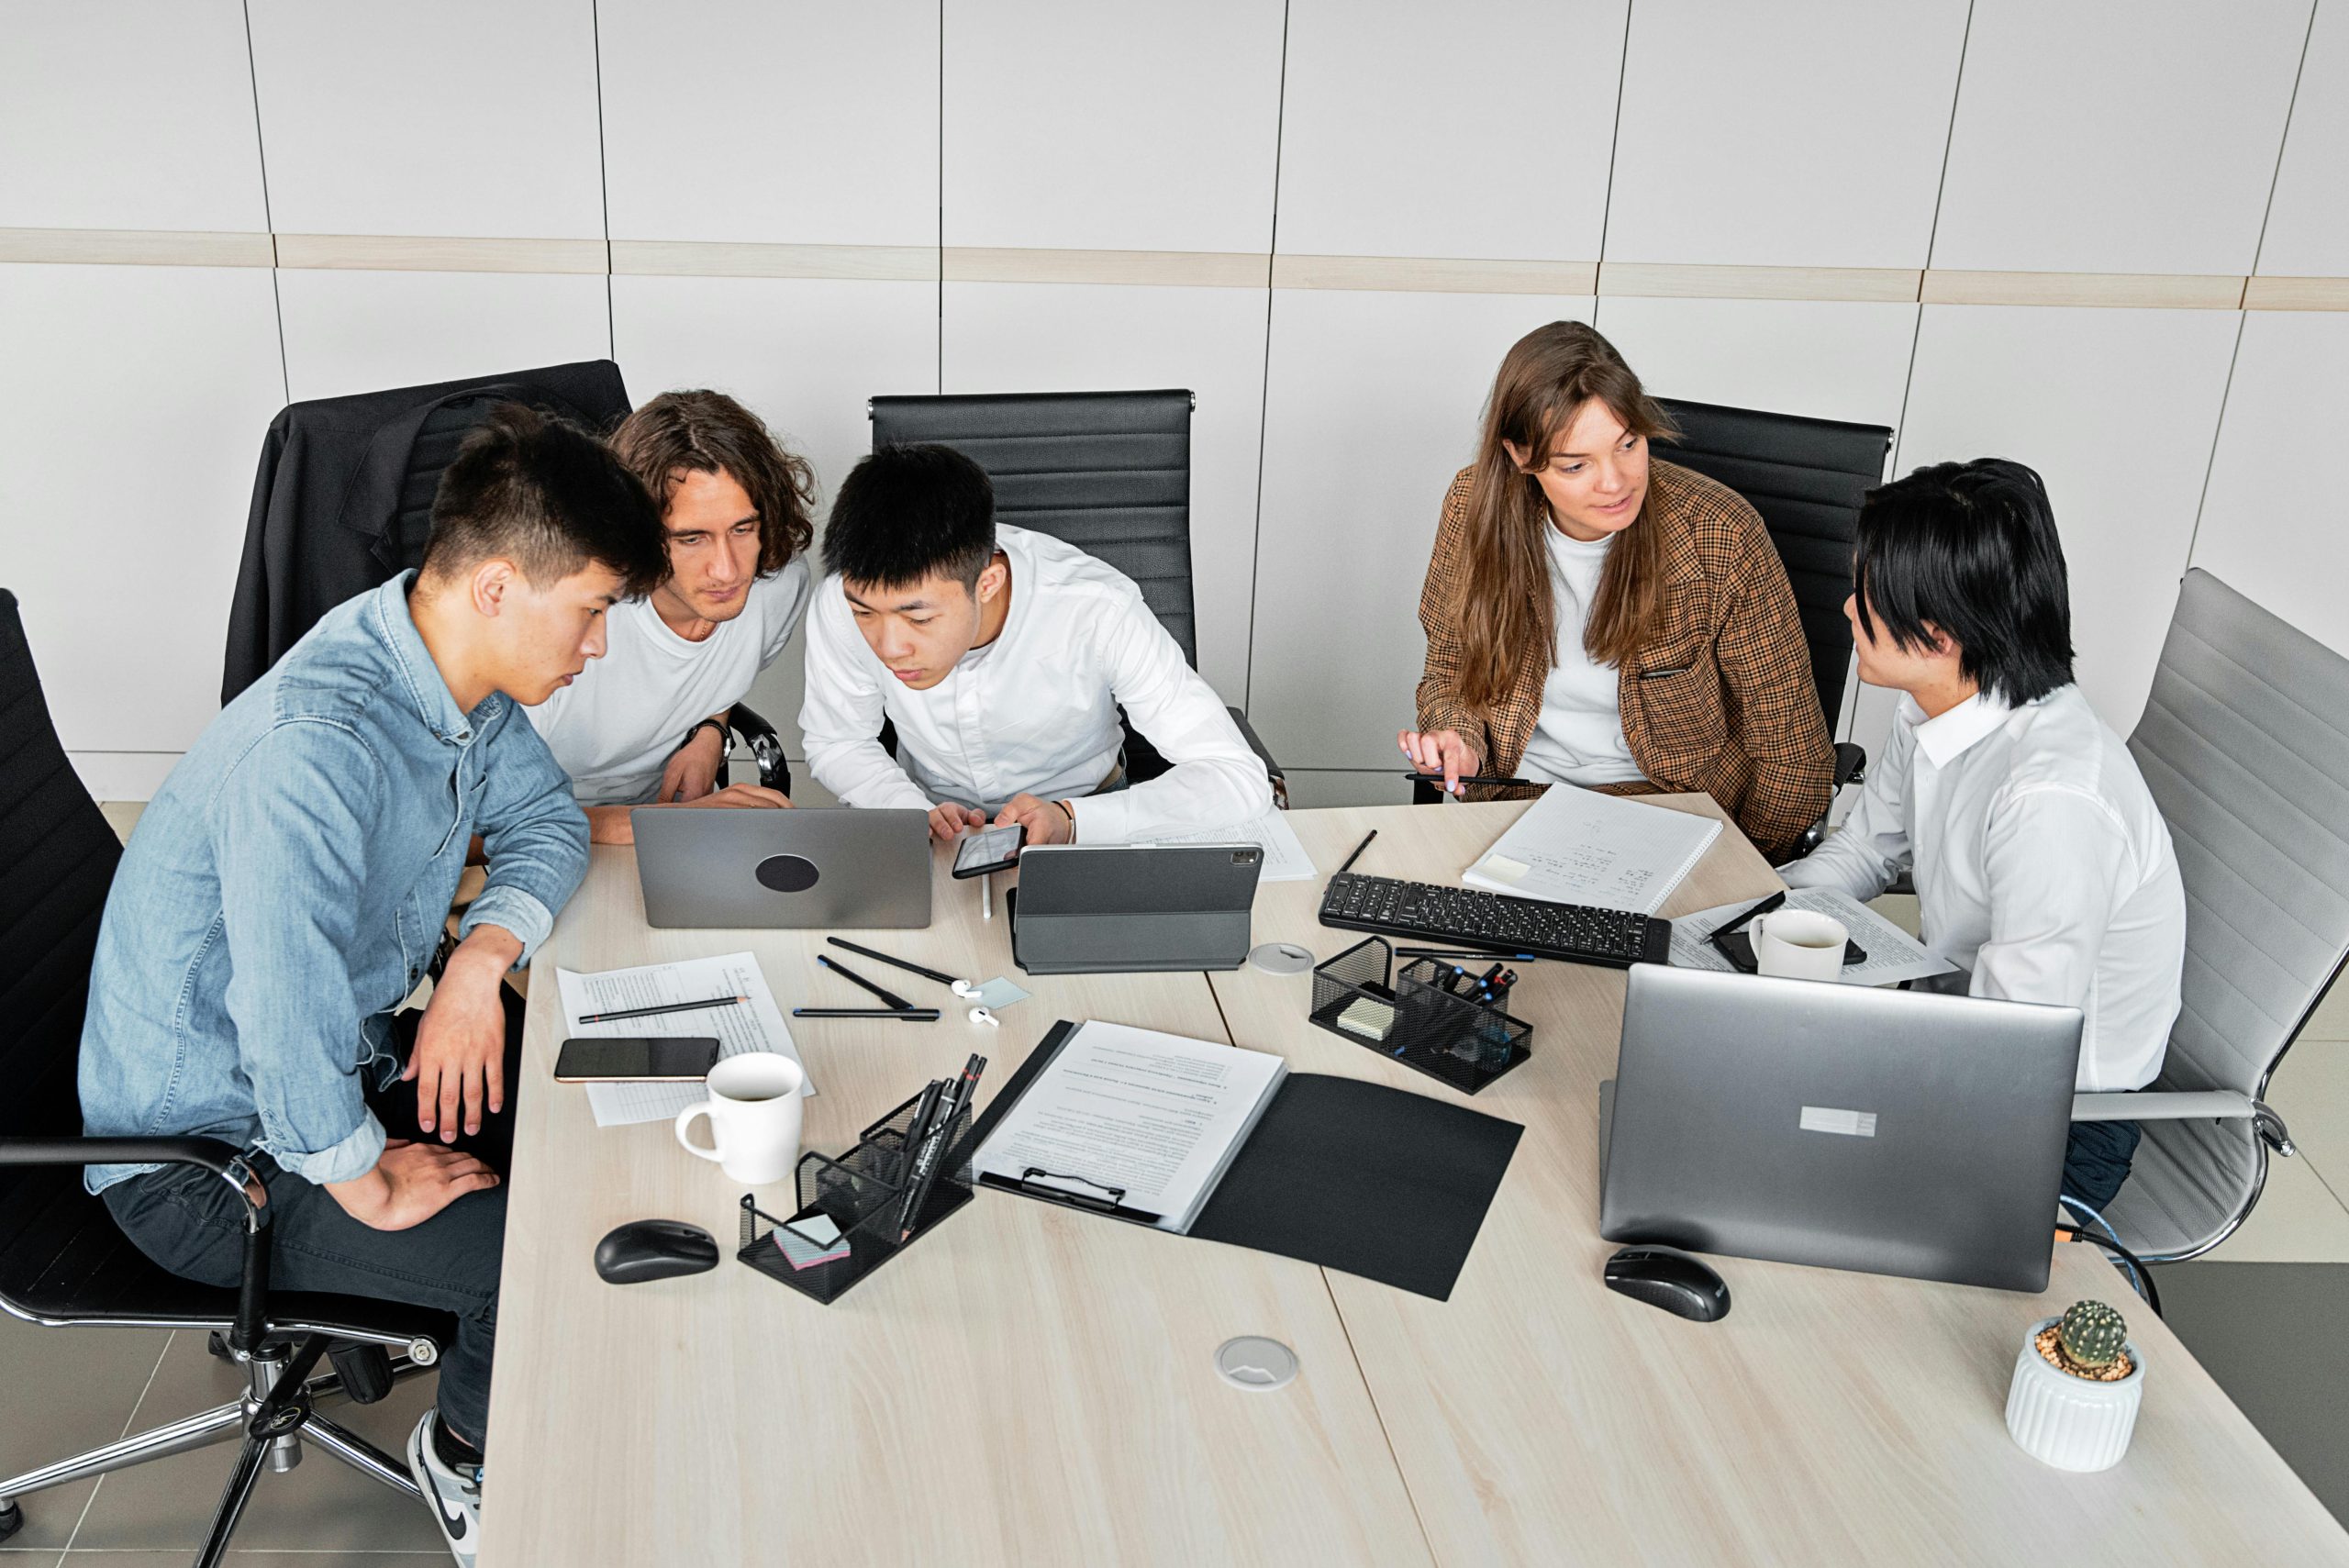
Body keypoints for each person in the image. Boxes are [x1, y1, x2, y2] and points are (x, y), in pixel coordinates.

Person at [78, 405, 668, 1565]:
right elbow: (282, 1028)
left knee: (597, 1104)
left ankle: (567, 1379)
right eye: (593, 608)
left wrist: (476, 962)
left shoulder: (447, 673)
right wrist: (363, 1175)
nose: (597, 644)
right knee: (534, 1259)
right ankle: (470, 1456)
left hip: (333, 1063)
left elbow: (548, 821)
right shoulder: (317, 746)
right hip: (210, 1160)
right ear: (498, 587)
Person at [1779, 458, 2186, 1211]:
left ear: (1938, 636)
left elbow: (2013, 1052)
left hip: (2052, 1123)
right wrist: (1757, 918)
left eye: (1867, 594)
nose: (1846, 607)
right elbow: (1867, 849)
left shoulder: (2052, 801)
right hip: (1958, 1035)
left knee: (1794, 1178)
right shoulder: (1937, 705)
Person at [1400, 321, 1834, 862]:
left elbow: (1792, 750)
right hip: (1511, 801)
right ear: (1519, 455)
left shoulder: (1720, 534)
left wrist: (1748, 869)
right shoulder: (1472, 508)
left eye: (1628, 444)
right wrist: (1457, 740)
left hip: (1669, 815)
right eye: (1576, 464)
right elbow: (1450, 670)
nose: (1616, 482)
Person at [799, 442, 1271, 846]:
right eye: (864, 614)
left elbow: (1235, 776)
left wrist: (1073, 820)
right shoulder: (839, 599)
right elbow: (838, 740)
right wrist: (906, 808)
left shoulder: (1097, 608)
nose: (889, 647)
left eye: (918, 618)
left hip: (1085, 814)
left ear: (987, 583)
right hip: (923, 820)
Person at [525, 388, 818, 844]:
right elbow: (457, 830)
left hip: (663, 829)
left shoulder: (778, 586)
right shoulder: (563, 623)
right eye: (691, 539)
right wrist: (655, 821)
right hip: (539, 835)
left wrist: (711, 728)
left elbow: (715, 672)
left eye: (742, 529)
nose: (728, 570)